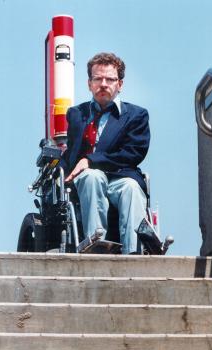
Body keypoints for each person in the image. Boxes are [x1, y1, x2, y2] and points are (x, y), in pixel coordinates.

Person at [60, 52, 150, 254]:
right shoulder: (76, 114)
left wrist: (90, 160)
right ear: (89, 83)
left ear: (120, 84)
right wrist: (63, 171)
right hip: (88, 180)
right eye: (97, 78)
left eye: (110, 79)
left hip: (121, 175)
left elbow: (133, 153)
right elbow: (72, 151)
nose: (103, 84)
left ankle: (134, 252)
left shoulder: (136, 115)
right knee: (92, 176)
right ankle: (96, 247)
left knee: (131, 188)